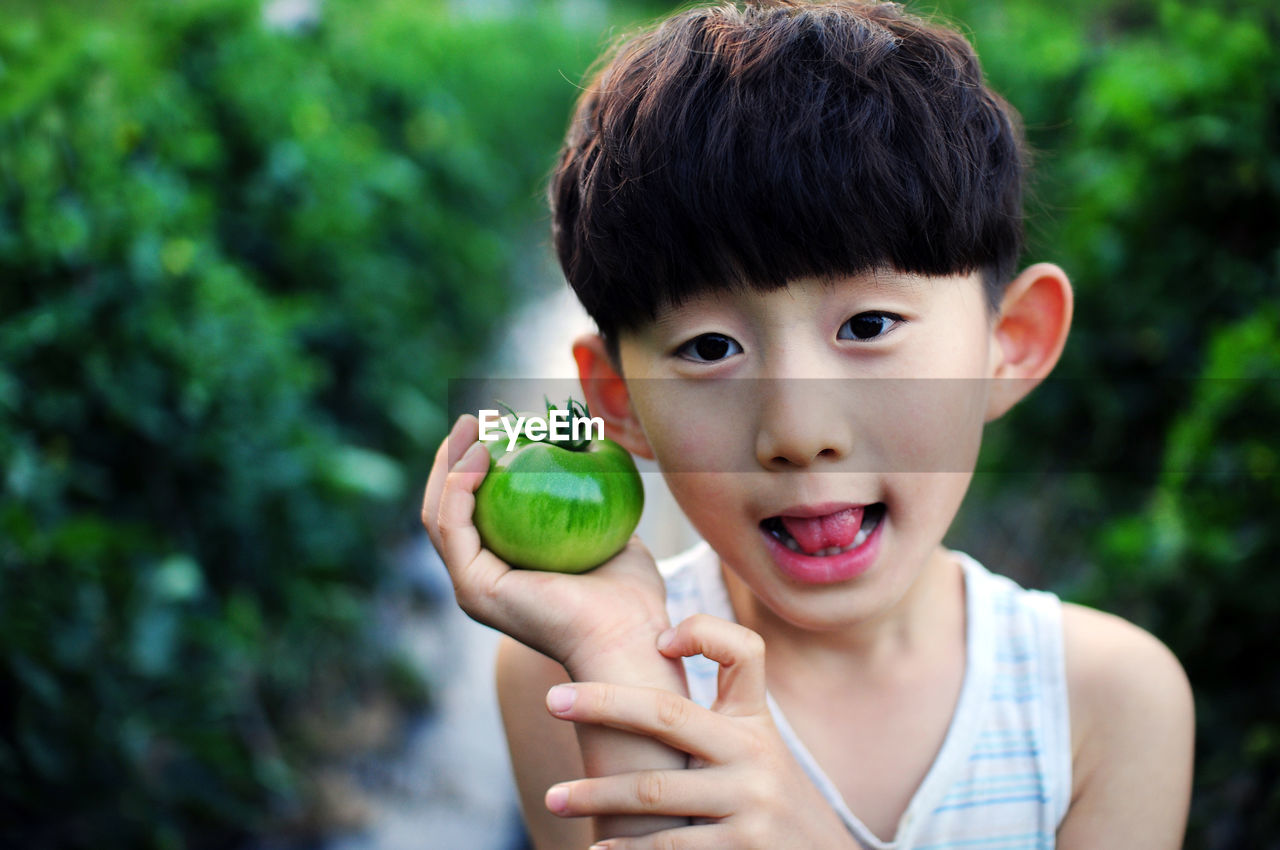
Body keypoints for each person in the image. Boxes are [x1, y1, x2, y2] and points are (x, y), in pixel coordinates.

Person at [423, 2, 1195, 847]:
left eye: (867, 327)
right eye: (710, 347)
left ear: (1009, 345)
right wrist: (617, 656)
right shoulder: (565, 673)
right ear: (617, 403)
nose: (798, 429)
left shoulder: (1106, 703)